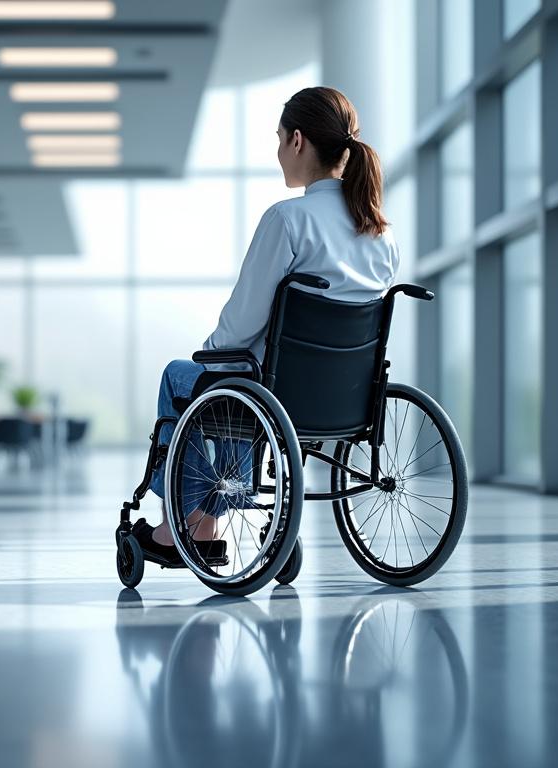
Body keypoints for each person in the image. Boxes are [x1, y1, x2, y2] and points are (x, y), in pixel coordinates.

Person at [130, 85, 401, 563]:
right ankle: (218, 514)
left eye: (279, 140)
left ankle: (190, 527)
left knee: (187, 376)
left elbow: (244, 320)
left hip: (271, 392)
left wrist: (211, 350)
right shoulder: (381, 234)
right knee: (241, 385)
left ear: (298, 141)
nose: (278, 153)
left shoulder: (288, 220)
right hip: (347, 397)